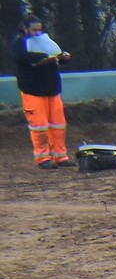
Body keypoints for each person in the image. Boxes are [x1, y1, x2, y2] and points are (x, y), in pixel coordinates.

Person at [13, 17, 70, 168]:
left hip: (52, 89)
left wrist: (63, 57)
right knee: (39, 127)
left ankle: (60, 156)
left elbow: (57, 53)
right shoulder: (20, 43)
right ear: (25, 29)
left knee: (58, 125)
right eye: (34, 30)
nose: (38, 33)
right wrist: (45, 57)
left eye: (40, 29)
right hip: (33, 91)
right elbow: (22, 57)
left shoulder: (46, 41)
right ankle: (43, 158)